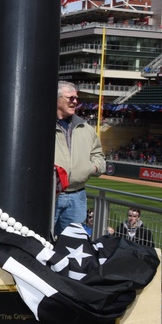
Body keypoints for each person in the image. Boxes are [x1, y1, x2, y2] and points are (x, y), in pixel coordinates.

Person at [54, 81, 105, 236]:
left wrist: (92, 168)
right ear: (57, 99)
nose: (75, 101)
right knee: (41, 242)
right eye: (71, 98)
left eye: (76, 98)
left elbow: (99, 157)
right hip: (50, 196)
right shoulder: (40, 124)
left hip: (77, 196)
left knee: (72, 245)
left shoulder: (86, 128)